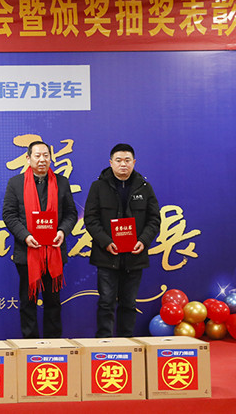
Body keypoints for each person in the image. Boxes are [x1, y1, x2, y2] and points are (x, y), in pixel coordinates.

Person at [84, 143, 161, 338]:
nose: (123, 164)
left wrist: (143, 240)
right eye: (118, 160)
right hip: (106, 255)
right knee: (106, 302)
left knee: (129, 303)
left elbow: (154, 219)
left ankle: (127, 343)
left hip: (135, 255)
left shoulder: (145, 187)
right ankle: (104, 344)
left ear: (134, 162)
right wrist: (105, 241)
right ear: (111, 163)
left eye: (127, 160)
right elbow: (90, 219)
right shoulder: (98, 187)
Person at [2, 141, 77, 338]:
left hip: (54, 251)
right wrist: (25, 236)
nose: (42, 159)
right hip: (27, 253)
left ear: (51, 158)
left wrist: (62, 231)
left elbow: (71, 213)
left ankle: (53, 345)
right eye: (37, 156)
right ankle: (30, 344)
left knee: (53, 301)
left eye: (46, 155)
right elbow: (9, 215)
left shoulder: (61, 182)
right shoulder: (16, 183)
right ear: (28, 158)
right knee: (28, 301)